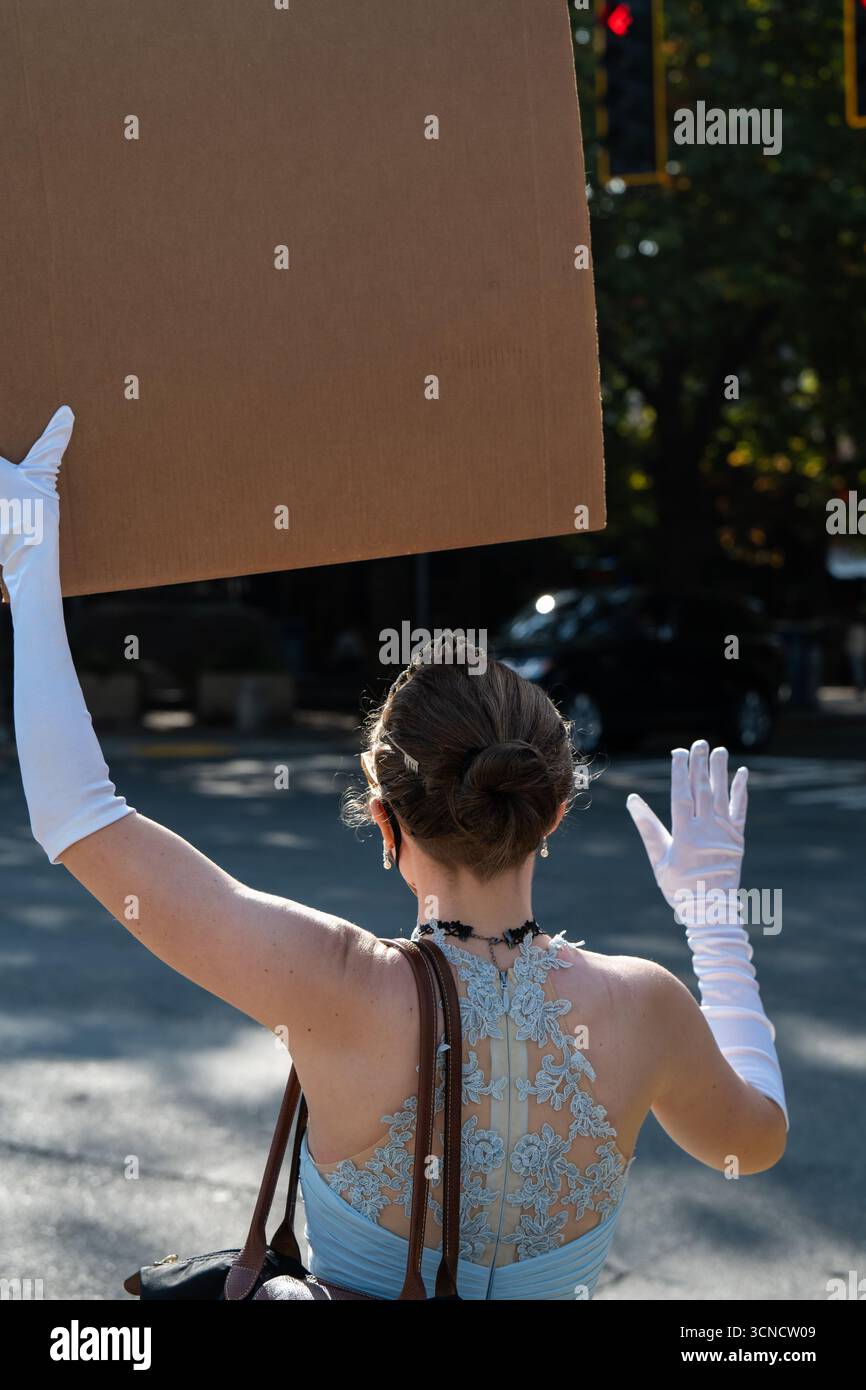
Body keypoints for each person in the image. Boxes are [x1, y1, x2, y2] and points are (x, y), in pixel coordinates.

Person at [0, 408, 788, 1300]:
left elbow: (77, 814)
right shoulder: (647, 1009)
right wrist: (717, 920)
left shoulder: (332, 982)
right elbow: (753, 1141)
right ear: (554, 814)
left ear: (384, 822)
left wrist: (31, 559)